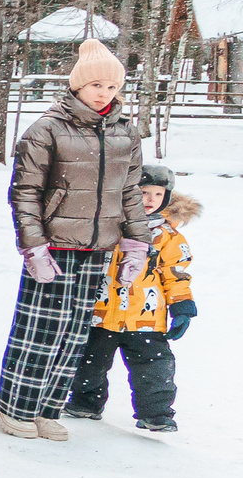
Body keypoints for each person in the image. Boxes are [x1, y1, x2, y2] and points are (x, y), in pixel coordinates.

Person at [0, 35, 153, 439]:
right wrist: (33, 245)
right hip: (54, 245)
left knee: (74, 333)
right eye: (97, 85)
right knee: (41, 331)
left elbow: (129, 192)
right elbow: (25, 192)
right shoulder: (47, 128)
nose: (105, 94)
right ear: (78, 85)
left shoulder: (124, 133)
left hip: (98, 246)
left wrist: (137, 243)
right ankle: (14, 406)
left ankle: (47, 408)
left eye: (113, 86)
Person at [67, 161, 198, 432]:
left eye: (158, 194)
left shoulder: (168, 236)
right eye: (144, 192)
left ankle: (156, 413)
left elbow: (176, 273)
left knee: (155, 368)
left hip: (146, 318)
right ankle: (84, 402)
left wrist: (182, 306)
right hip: (101, 314)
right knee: (89, 362)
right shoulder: (107, 225)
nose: (150, 200)